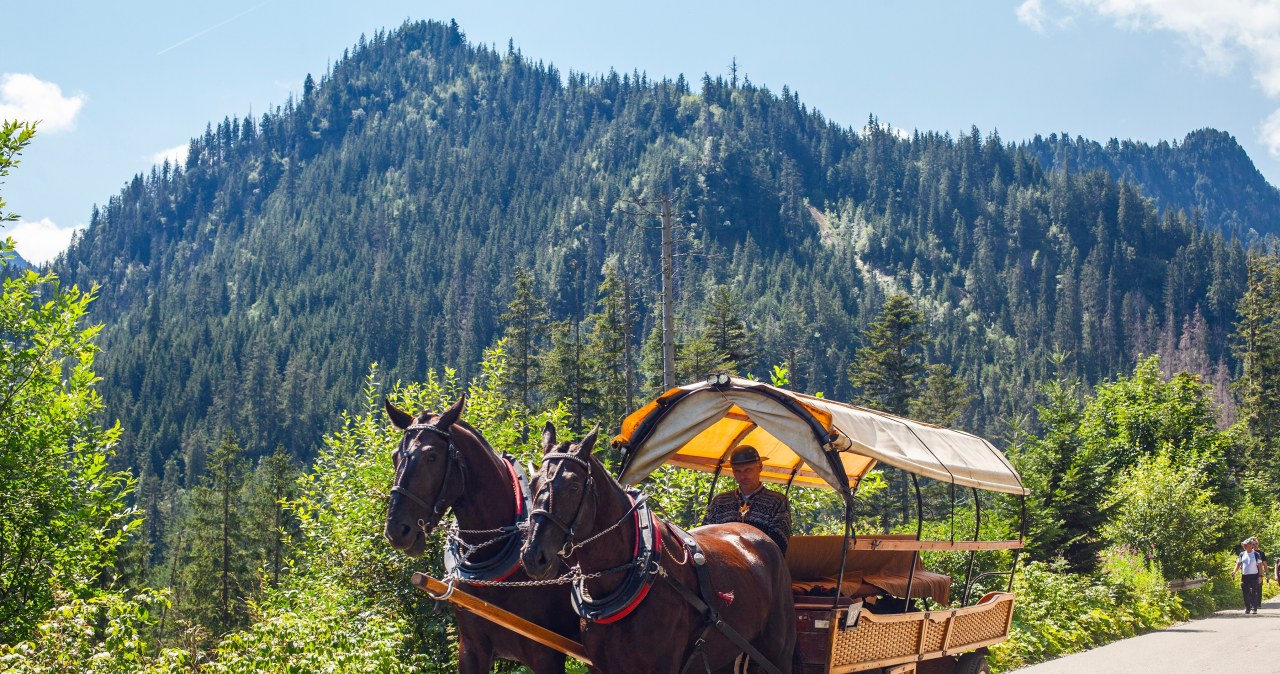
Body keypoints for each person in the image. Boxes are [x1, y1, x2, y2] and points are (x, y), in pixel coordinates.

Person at [702, 445, 792, 554]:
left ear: (760, 467)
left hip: (762, 566)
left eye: (748, 470)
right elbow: (704, 536)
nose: (743, 476)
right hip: (723, 564)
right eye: (737, 471)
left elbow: (779, 543)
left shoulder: (777, 501)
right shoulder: (719, 501)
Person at [1233, 538, 1264, 614]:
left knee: (1253, 592)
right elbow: (1238, 564)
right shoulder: (1242, 554)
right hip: (1245, 576)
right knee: (1245, 592)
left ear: (1250, 545)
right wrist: (1234, 571)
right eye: (1243, 545)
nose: (1244, 546)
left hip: (1254, 576)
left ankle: (1254, 608)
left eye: (1245, 545)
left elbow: (1260, 566)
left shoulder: (1256, 554)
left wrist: (1260, 576)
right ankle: (1248, 607)